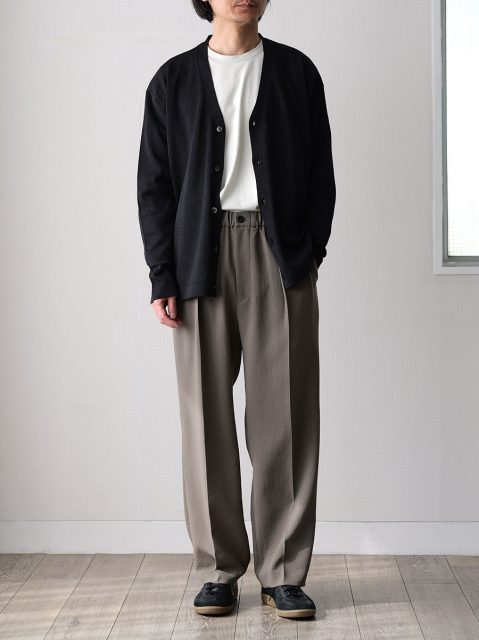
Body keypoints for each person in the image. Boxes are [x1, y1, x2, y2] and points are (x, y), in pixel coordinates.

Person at [137, 0, 336, 620]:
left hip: (280, 258)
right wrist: (162, 273)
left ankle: (284, 572)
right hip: (200, 257)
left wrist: (307, 252)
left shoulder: (296, 73)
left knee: (286, 419)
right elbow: (154, 186)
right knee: (205, 421)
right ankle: (218, 569)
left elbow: (321, 174)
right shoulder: (172, 81)